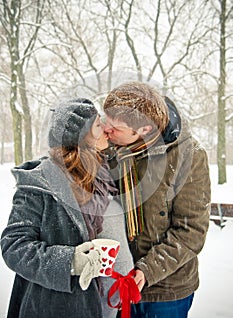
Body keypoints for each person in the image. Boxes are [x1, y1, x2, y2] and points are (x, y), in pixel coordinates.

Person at [1, 98, 133, 318]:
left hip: (102, 305)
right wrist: (71, 261)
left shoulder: (100, 174)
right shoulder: (40, 184)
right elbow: (14, 246)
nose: (106, 128)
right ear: (82, 138)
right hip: (58, 307)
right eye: (98, 124)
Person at [103, 81, 211, 318]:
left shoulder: (188, 155)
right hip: (117, 281)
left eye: (114, 127)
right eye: (105, 121)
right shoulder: (110, 148)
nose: (105, 129)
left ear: (144, 130)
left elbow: (191, 230)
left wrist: (147, 270)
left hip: (166, 292)